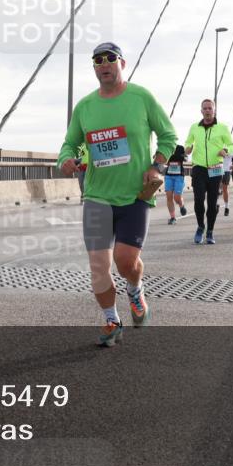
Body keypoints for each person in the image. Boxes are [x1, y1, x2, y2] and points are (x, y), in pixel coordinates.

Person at [59, 43, 176, 347]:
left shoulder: (141, 97)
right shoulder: (85, 106)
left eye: (110, 58)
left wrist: (156, 165)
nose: (104, 64)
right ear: (94, 67)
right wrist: (66, 160)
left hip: (135, 196)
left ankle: (135, 291)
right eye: (98, 60)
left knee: (126, 262)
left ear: (122, 63)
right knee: (98, 265)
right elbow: (69, 144)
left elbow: (168, 136)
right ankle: (112, 320)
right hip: (97, 195)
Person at [183, 99, 233, 245]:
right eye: (204, 108)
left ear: (214, 110)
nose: (207, 111)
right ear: (201, 111)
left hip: (215, 168)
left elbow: (231, 145)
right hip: (198, 168)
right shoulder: (194, 127)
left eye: (210, 108)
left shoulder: (222, 128)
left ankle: (210, 231)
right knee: (199, 199)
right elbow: (187, 142)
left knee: (212, 203)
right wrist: (188, 147)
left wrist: (226, 150)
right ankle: (200, 226)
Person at [164, 145, 187, 224]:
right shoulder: (170, 156)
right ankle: (173, 218)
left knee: (177, 197)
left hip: (179, 177)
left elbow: (186, 159)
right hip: (168, 176)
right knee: (169, 197)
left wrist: (182, 155)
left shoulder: (182, 157)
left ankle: (181, 205)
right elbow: (164, 161)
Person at [222, 147, 233, 217]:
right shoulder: (216, 143)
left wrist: (227, 152)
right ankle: (215, 204)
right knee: (215, 189)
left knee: (224, 189)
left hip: (226, 170)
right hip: (215, 168)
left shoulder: (230, 145)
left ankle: (226, 207)